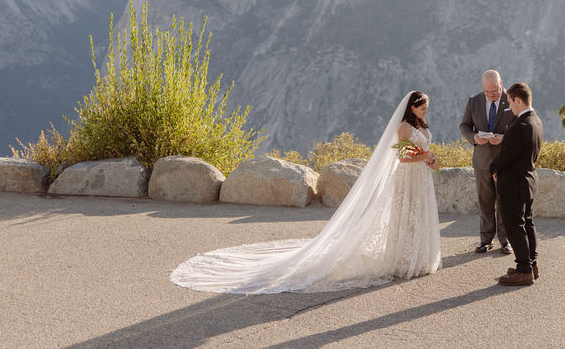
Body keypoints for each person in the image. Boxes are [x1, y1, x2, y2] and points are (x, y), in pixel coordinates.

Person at [171, 91, 442, 294]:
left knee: (417, 217)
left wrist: (429, 158)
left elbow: (418, 153)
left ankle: (416, 258)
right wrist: (425, 156)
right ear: (413, 108)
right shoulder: (404, 127)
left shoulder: (420, 127)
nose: (426, 112)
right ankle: (403, 259)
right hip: (408, 178)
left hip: (421, 178)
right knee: (406, 215)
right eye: (424, 108)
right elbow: (404, 158)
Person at [490, 82, 543, 286]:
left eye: (510, 102)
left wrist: (493, 168)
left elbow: (506, 156)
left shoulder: (520, 125)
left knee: (515, 226)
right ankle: (531, 264)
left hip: (513, 183)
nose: (509, 107)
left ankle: (523, 270)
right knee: (527, 223)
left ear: (518, 100)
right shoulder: (536, 121)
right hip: (528, 180)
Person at [459, 69, 515, 254]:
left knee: (504, 202)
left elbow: (522, 127)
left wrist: (504, 138)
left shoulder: (513, 99)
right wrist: (474, 137)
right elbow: (464, 125)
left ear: (501, 84)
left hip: (505, 161)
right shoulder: (473, 101)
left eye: (494, 91)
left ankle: (505, 241)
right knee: (485, 202)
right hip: (482, 161)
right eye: (487, 92)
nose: (491, 95)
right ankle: (485, 240)